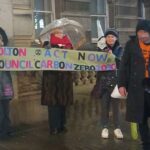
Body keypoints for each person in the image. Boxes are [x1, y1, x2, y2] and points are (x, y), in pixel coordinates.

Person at [118, 19, 150, 149]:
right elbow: (124, 66)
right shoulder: (131, 45)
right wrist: (121, 84)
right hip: (137, 86)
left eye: (145, 32)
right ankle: (146, 143)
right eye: (140, 32)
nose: (142, 35)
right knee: (141, 116)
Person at [91, 28, 123, 139]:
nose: (110, 38)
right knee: (104, 106)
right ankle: (104, 127)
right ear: (105, 39)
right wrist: (101, 51)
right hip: (103, 81)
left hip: (115, 81)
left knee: (115, 107)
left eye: (112, 37)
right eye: (108, 36)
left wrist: (112, 55)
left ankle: (117, 128)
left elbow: (121, 63)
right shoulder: (100, 49)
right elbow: (94, 62)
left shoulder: (119, 49)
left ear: (116, 38)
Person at [41, 28, 73, 135]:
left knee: (63, 102)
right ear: (53, 33)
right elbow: (41, 57)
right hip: (52, 78)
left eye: (62, 32)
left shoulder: (69, 44)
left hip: (64, 78)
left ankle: (62, 125)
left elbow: (74, 58)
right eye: (58, 32)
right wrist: (46, 48)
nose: (61, 34)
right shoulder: (47, 43)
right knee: (53, 104)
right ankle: (53, 126)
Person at [0, 27, 14, 139]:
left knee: (6, 110)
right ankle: (2, 132)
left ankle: (7, 130)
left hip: (6, 86)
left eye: (1, 39)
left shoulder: (7, 53)